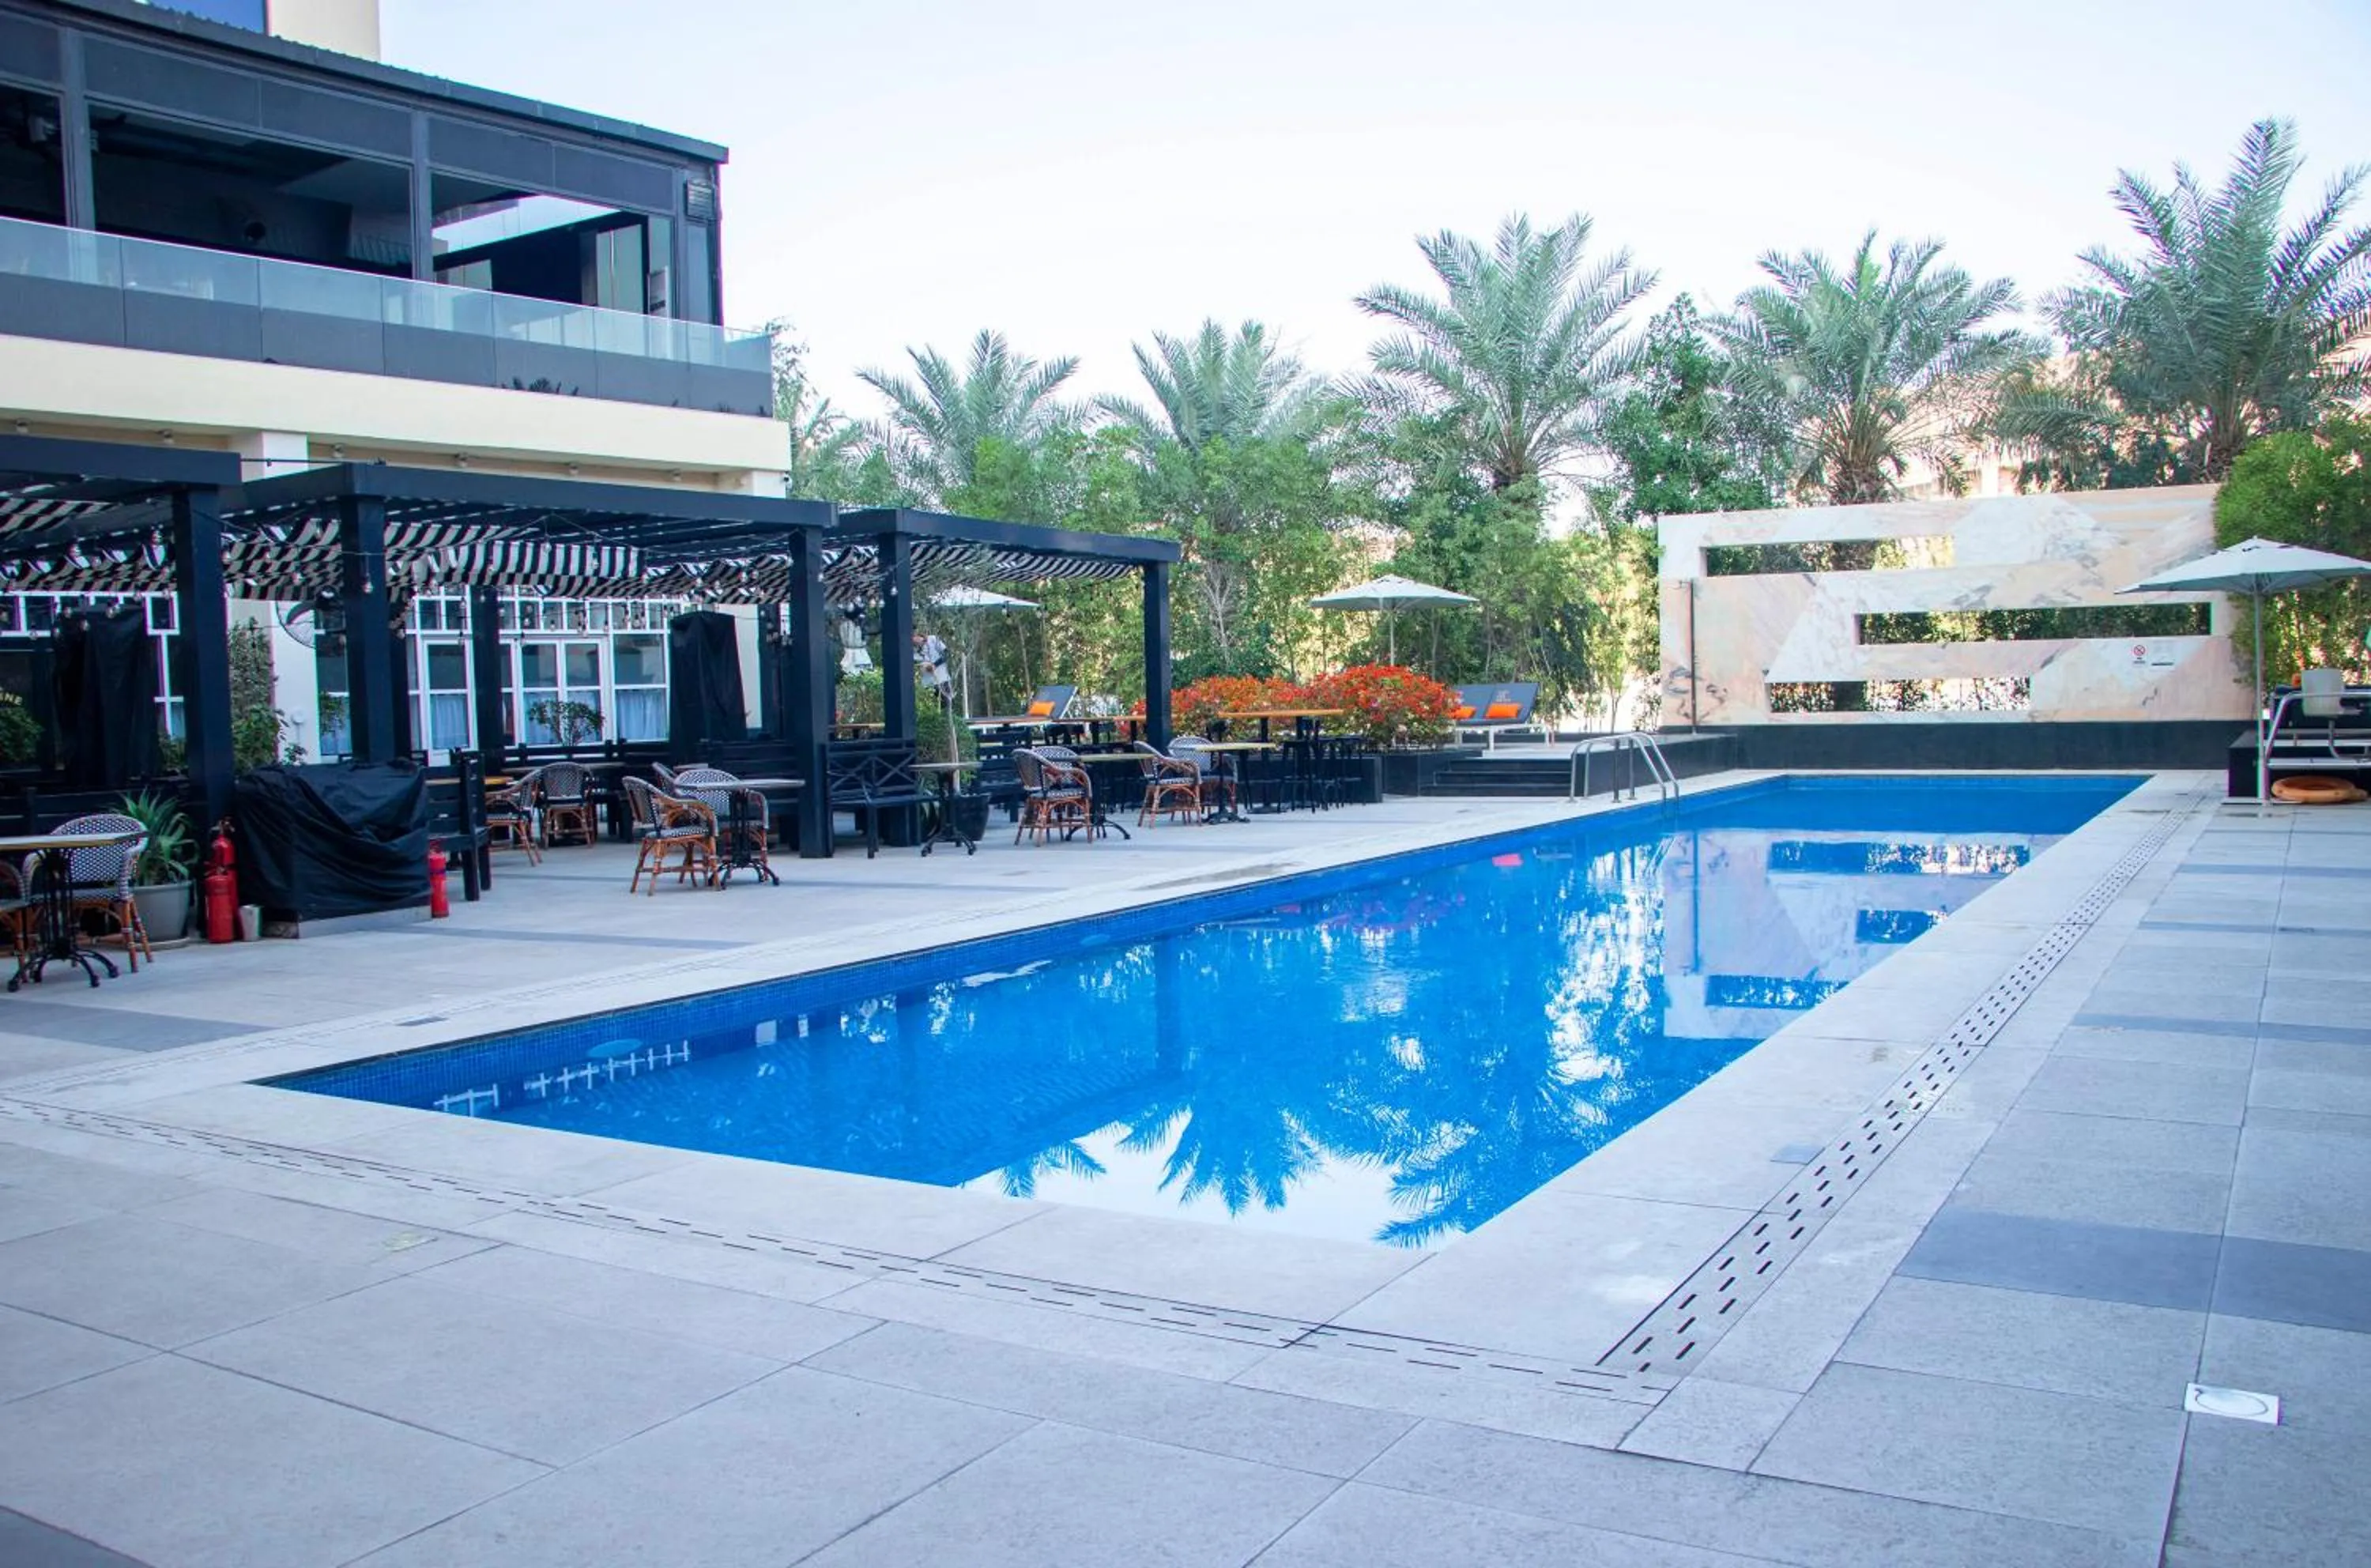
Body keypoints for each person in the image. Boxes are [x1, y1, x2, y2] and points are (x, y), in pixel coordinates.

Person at [914, 631, 952, 699]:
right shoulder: (912, 650)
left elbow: (947, 654)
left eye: (915, 636)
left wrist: (935, 665)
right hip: (928, 684)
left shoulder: (933, 639)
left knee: (947, 702)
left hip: (942, 679)